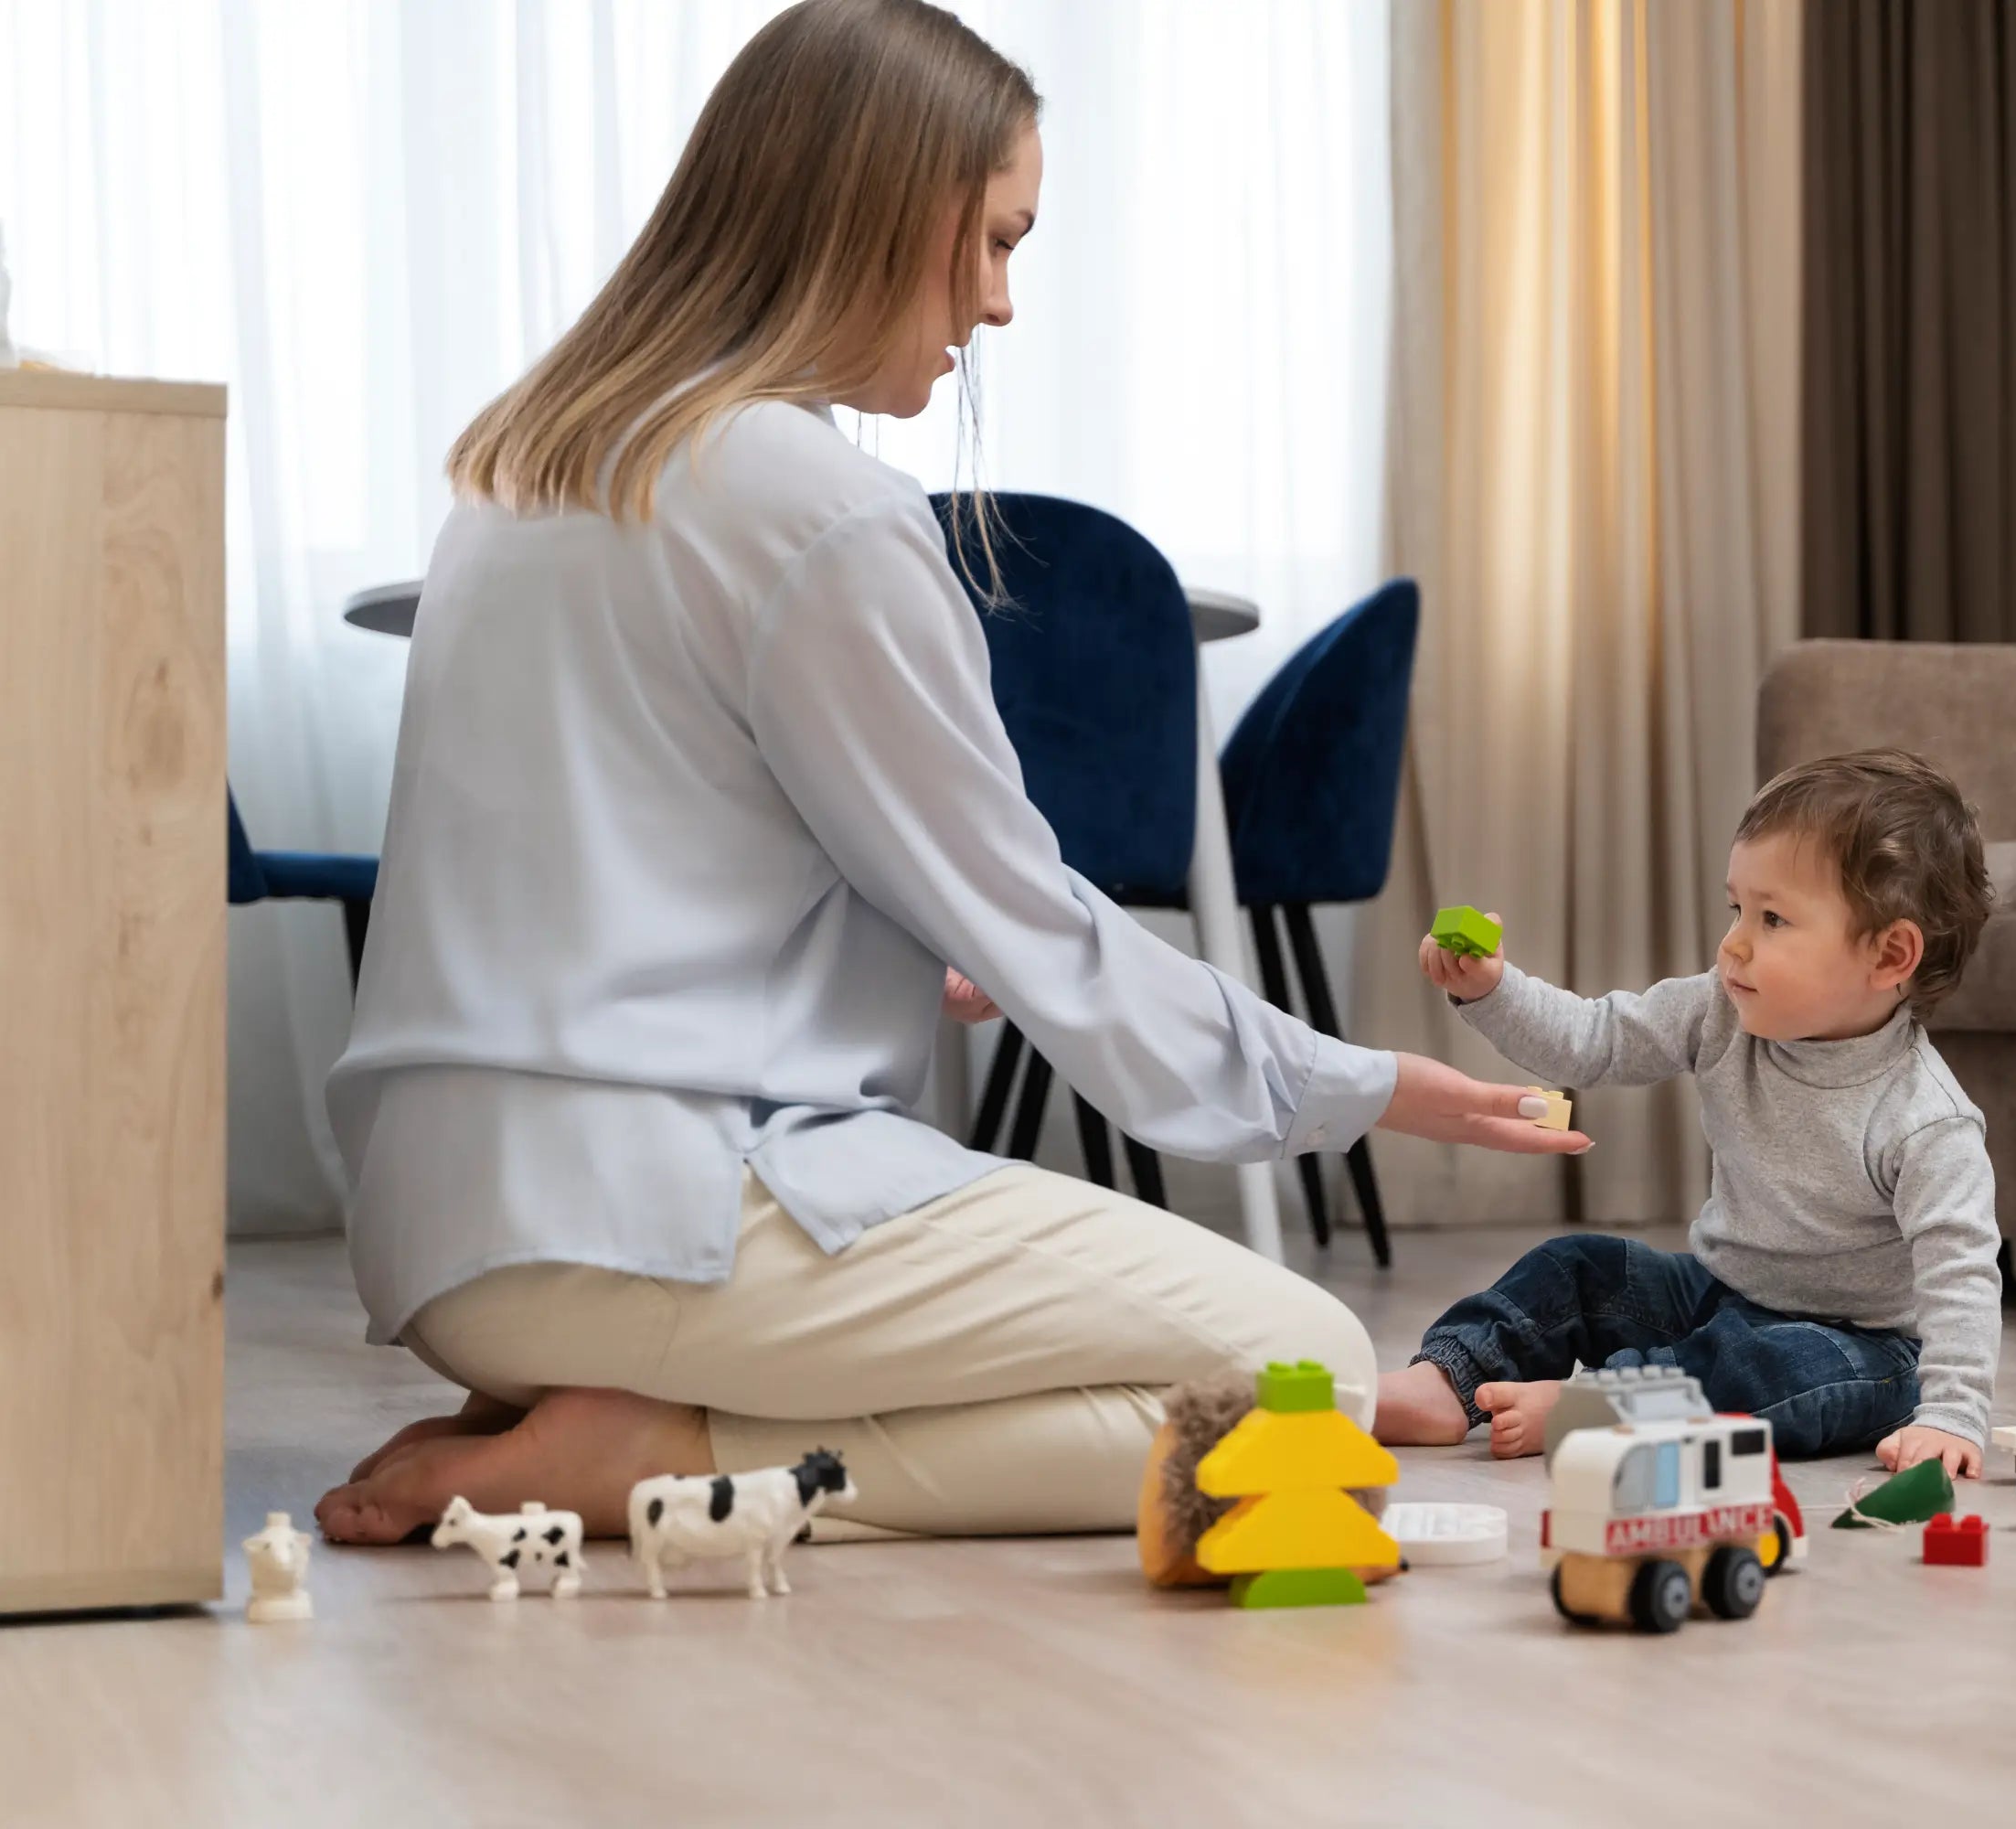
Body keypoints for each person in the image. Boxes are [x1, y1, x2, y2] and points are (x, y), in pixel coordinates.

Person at [313, 0, 1586, 1549]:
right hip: (662, 1220)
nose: (996, 304)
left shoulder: (524, 475)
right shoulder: (820, 509)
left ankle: (586, 1410)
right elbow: (1042, 928)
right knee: (1308, 1369)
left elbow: (629, 865)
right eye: (989, 242)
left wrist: (903, 937)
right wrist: (1371, 1085)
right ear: (873, 210)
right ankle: (659, 1450)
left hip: (447, 1241)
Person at [1373, 751, 2002, 1476]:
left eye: (1773, 919)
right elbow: (1593, 1041)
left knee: (1774, 1367)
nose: (1734, 942)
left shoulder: (1928, 1121)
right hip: (1716, 1293)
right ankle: (1447, 1381)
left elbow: (1961, 1274)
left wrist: (1953, 1416)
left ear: (1890, 955)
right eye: (1737, 909)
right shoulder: (1718, 1009)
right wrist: (1492, 991)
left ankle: (1604, 1405)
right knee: (1577, 1265)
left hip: (1858, 1347)